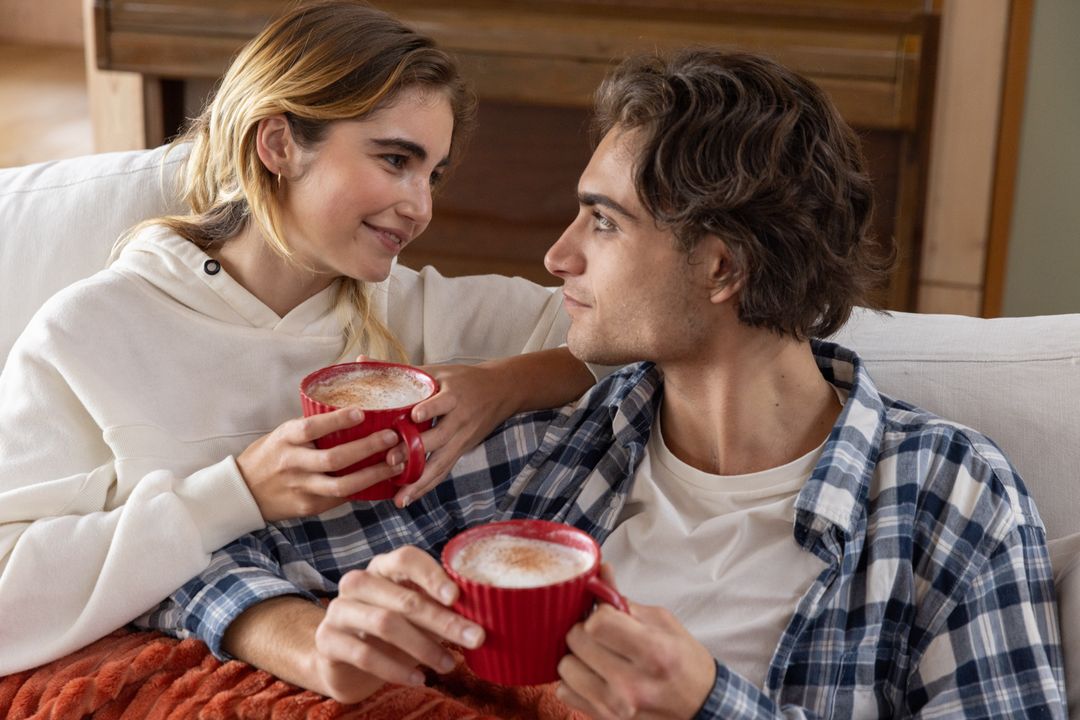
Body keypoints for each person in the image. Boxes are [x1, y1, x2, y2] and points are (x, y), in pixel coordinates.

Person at [141, 50, 1066, 718]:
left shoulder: (953, 499)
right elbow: (190, 569)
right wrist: (320, 636)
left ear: (720, 268)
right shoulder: (557, 446)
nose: (557, 256)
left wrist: (710, 706)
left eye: (604, 223)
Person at [0, 0, 598, 675]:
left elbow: (622, 335)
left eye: (432, 174)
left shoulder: (410, 308)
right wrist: (239, 493)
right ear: (279, 144)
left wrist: (501, 384)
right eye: (396, 159)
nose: (421, 206)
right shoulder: (90, 335)